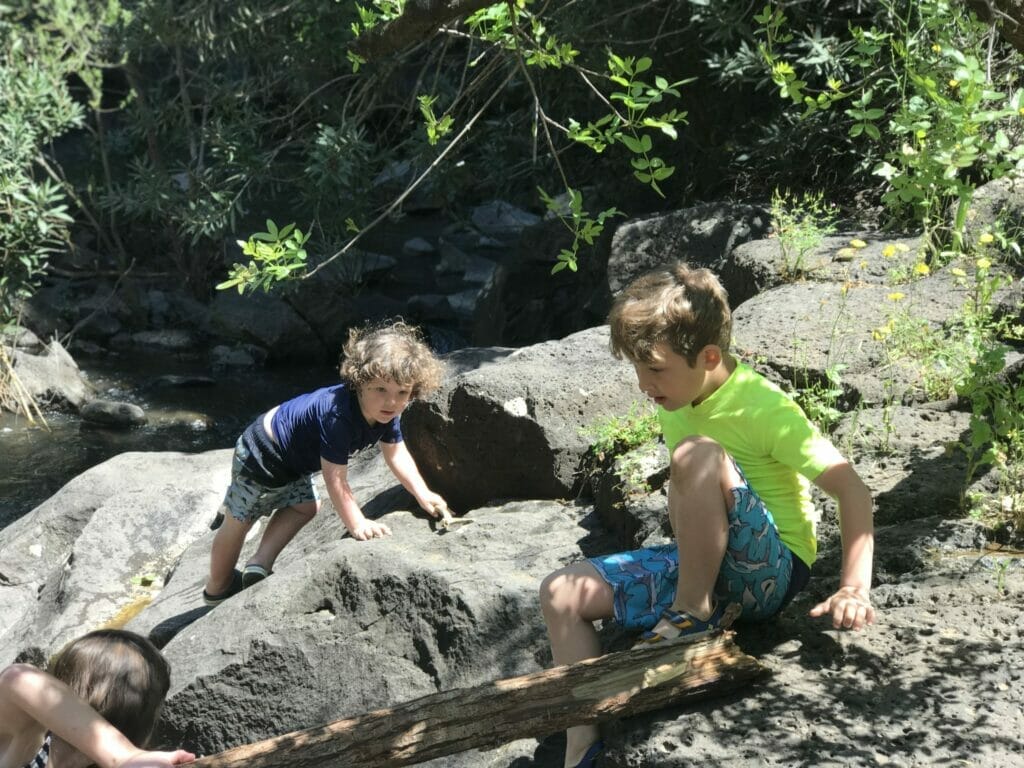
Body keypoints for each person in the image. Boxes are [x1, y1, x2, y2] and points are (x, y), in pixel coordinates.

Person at [539, 262, 875, 768]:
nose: (643, 384)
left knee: (696, 452)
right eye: (636, 368)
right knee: (560, 593)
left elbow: (853, 490)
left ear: (709, 356)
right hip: (707, 567)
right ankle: (583, 749)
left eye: (654, 368)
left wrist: (853, 587)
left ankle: (691, 615)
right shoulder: (675, 393)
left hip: (773, 569)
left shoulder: (763, 407)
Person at [203, 320, 448, 605]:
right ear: (359, 382)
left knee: (306, 506)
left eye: (402, 393)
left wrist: (422, 493)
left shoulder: (386, 413)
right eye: (380, 389)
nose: (391, 402)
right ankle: (216, 588)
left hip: (293, 461)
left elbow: (396, 453)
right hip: (263, 451)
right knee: (240, 518)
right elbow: (335, 479)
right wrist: (357, 523)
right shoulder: (337, 416)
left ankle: (259, 563)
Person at [0, 629, 195, 768]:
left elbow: (16, 677)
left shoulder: (25, 742)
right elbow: (17, 679)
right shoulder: (33, 740)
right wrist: (123, 755)